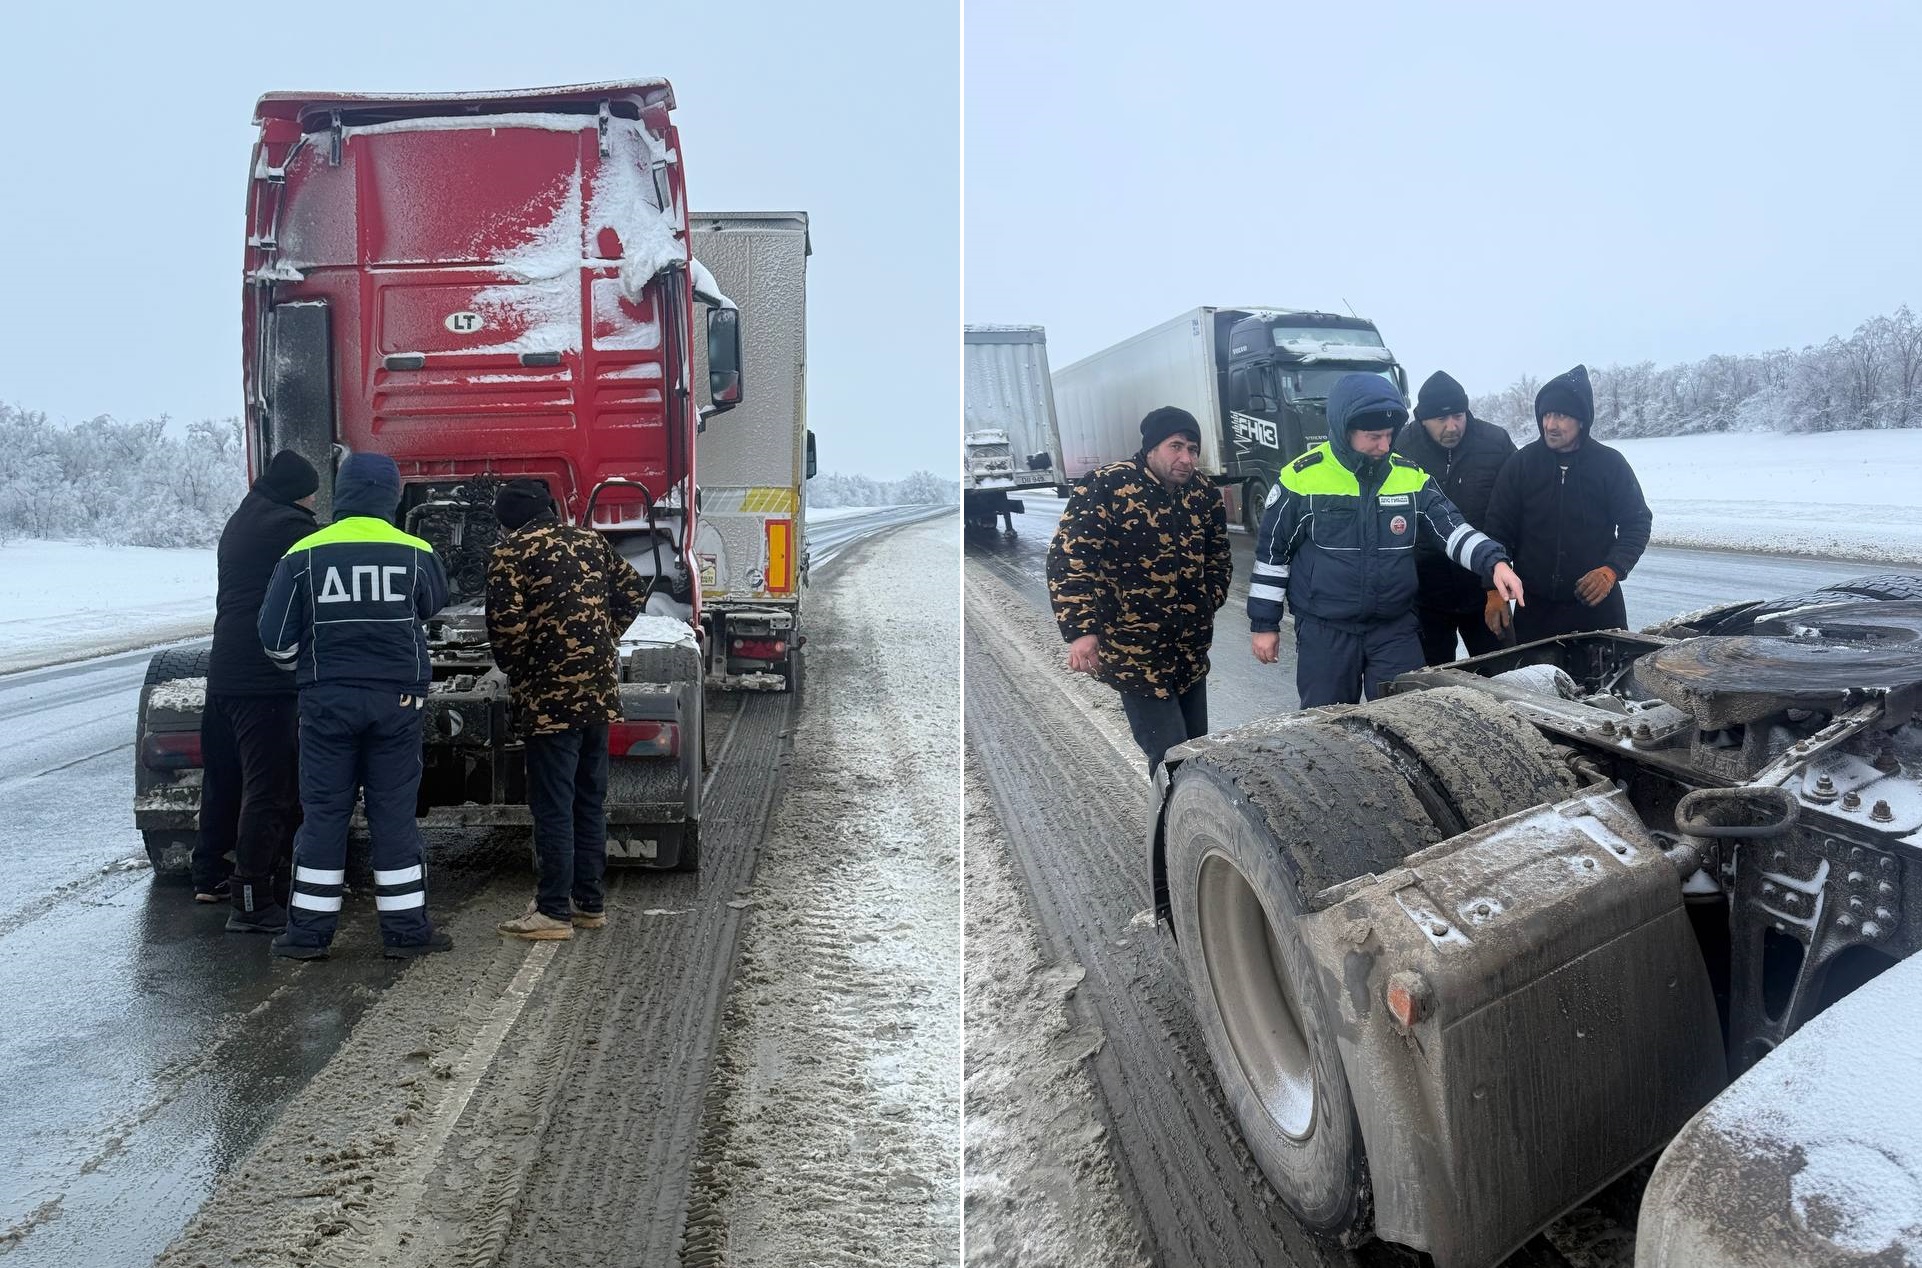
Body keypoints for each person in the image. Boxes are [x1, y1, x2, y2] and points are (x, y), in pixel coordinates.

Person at [257, 452, 452, 960]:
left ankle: (307, 937)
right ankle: (407, 935)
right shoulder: (416, 551)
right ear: (391, 497)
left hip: (327, 704)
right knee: (394, 815)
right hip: (397, 702)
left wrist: (312, 673)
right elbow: (433, 606)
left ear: (341, 494)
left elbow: (274, 638)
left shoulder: (303, 554)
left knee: (323, 815)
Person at [1249, 373, 1525, 708]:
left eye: (1389, 436)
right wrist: (1265, 625)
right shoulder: (1301, 479)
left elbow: (1452, 529)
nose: (1384, 445)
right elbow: (1273, 556)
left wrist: (1493, 561)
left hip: (1394, 630)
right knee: (1328, 724)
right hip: (1326, 631)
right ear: (1343, 430)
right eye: (1373, 437)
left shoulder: (1410, 478)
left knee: (1409, 721)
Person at [486, 478, 648, 941]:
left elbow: (507, 628)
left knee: (553, 805)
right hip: (598, 693)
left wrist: (523, 667)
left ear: (505, 519)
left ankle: (553, 912)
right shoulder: (590, 541)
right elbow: (633, 591)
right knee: (589, 801)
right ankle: (589, 904)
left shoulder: (511, 553)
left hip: (549, 701)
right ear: (550, 508)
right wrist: (601, 639)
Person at [1047, 406, 1232, 776]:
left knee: (1195, 750)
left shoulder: (1203, 493)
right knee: (1171, 758)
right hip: (1136, 652)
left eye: (1193, 449)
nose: (1186, 458)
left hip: (1190, 651)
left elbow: (1218, 557)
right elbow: (1069, 559)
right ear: (1151, 448)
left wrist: (1206, 603)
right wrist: (1081, 630)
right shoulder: (1108, 486)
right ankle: (1170, 832)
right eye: (1175, 446)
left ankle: (1184, 824)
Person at [193, 450, 319, 929]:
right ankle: (254, 897)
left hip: (224, 671)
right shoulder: (289, 528)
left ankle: (209, 874)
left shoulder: (242, 519)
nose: (312, 500)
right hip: (265, 677)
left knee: (225, 778)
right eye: (310, 492)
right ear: (296, 491)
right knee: (270, 789)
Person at [1483, 364, 1653, 643]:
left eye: (1560, 415)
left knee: (1608, 686)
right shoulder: (1521, 465)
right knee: (1531, 686)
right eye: (1546, 415)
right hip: (1535, 610)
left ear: (1582, 419)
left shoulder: (1609, 465)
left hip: (1598, 607)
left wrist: (1611, 570)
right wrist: (1492, 589)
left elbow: (1637, 523)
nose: (1550, 424)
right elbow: (1497, 531)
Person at [1392, 371, 1518, 665]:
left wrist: (1494, 588)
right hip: (1426, 596)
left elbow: (1510, 516)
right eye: (1441, 420)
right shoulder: (1401, 449)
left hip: (1484, 591)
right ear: (1422, 418)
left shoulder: (1495, 443)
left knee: (1506, 678)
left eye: (1459, 416)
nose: (1452, 427)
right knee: (1432, 688)